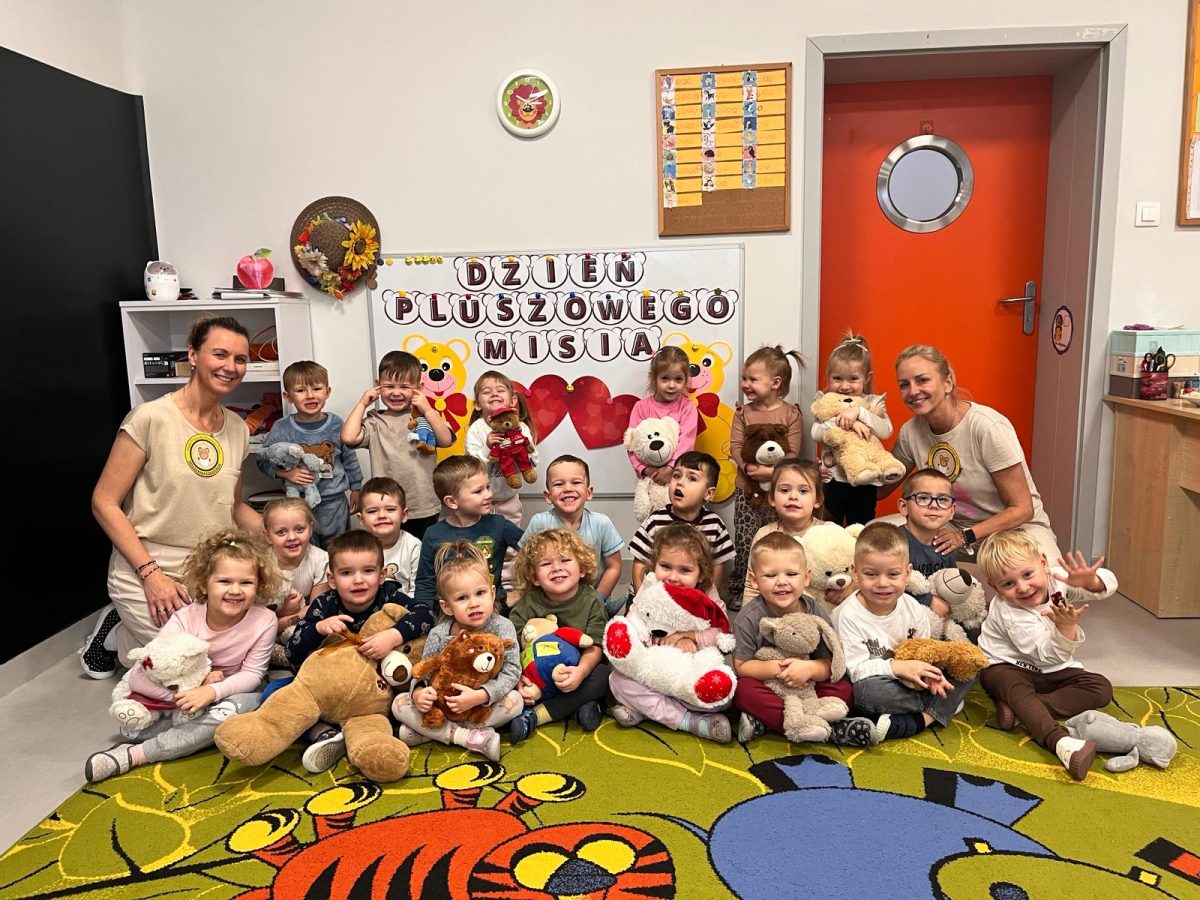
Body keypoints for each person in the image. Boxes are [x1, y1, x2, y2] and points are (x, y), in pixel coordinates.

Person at [85, 316, 263, 679]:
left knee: (228, 657)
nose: (231, 367)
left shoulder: (237, 429)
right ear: (193, 355)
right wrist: (151, 575)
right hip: (148, 563)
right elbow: (103, 502)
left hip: (209, 569)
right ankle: (122, 626)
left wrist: (284, 535)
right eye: (220, 354)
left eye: (241, 359)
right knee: (191, 666)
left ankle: (123, 636)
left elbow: (232, 505)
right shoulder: (150, 418)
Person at [83, 529, 281, 781]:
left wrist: (211, 693)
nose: (235, 590)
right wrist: (188, 696)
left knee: (250, 704)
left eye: (246, 583)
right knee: (136, 726)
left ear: (259, 585)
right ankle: (174, 732)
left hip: (228, 694)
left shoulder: (265, 620)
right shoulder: (184, 618)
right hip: (179, 701)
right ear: (205, 583)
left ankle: (134, 755)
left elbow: (252, 674)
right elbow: (141, 674)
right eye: (224, 581)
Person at [889, 344, 1061, 564]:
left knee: (1048, 580)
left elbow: (1023, 509)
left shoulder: (987, 427)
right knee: (874, 537)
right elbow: (880, 488)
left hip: (1015, 530)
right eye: (904, 385)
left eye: (922, 380)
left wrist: (964, 537)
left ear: (947, 382)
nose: (913, 391)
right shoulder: (910, 432)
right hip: (951, 526)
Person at [285, 530, 434, 773]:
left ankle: (378, 732)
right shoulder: (324, 604)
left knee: (415, 692)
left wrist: (392, 635)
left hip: (376, 692)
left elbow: (425, 614)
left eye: (368, 571)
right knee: (275, 693)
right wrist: (319, 629)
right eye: (346, 573)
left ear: (382, 575)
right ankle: (325, 734)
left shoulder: (389, 595)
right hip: (332, 690)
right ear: (332, 579)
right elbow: (292, 653)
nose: (358, 580)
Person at [976, 530, 1116, 781]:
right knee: (1013, 685)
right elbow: (1045, 655)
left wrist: (1090, 581)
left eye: (1027, 574)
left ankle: (1021, 709)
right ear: (994, 587)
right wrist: (1066, 628)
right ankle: (1060, 742)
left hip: (1051, 668)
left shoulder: (1057, 579)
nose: (1023, 587)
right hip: (1006, 666)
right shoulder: (1010, 613)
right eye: (1008, 584)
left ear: (1043, 563)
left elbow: (1107, 586)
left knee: (1100, 687)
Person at [833, 522, 975, 743]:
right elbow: (854, 671)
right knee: (865, 693)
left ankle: (924, 716)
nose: (882, 583)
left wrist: (930, 675)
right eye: (871, 574)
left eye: (893, 574)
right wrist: (896, 667)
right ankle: (938, 710)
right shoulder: (847, 615)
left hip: (915, 681)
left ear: (907, 573)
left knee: (969, 664)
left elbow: (925, 651)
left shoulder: (914, 608)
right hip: (880, 683)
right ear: (855, 572)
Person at [732, 532, 873, 745]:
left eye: (791, 574)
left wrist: (809, 669)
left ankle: (766, 723)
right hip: (771, 687)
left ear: (806, 577)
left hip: (809, 688)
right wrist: (780, 670)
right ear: (754, 580)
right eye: (770, 575)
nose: (782, 582)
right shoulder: (748, 617)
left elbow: (830, 663)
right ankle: (831, 730)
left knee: (844, 688)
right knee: (742, 691)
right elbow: (741, 666)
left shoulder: (814, 610)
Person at [393, 542, 523, 761]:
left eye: (480, 593)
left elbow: (512, 671)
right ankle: (467, 737)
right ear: (446, 606)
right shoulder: (439, 633)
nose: (473, 603)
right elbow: (424, 670)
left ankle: (431, 733)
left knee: (516, 701)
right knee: (400, 704)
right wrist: (418, 693)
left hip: (480, 705)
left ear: (492, 594)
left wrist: (481, 696)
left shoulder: (502, 627)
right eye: (462, 598)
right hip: (443, 704)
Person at [610, 524, 734, 743]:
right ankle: (688, 721)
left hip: (687, 671)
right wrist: (653, 641)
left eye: (685, 570)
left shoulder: (706, 593)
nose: (673, 577)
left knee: (723, 699)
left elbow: (720, 632)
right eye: (665, 566)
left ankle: (646, 710)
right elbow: (634, 622)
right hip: (653, 669)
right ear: (655, 564)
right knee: (617, 680)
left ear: (701, 573)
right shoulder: (651, 586)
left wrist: (686, 637)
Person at [508, 530, 610, 744]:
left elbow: (595, 647)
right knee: (506, 686)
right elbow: (512, 648)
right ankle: (579, 708)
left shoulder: (592, 601)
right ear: (534, 577)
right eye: (546, 564)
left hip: (578, 673)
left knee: (604, 675)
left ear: (582, 568)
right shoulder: (527, 604)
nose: (556, 568)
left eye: (565, 560)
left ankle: (536, 717)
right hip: (538, 678)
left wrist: (580, 672)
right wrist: (520, 678)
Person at [341, 350, 454, 541]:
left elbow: (445, 440)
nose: (396, 392)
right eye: (388, 386)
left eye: (404, 386)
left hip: (423, 504)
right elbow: (348, 437)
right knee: (388, 551)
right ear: (377, 386)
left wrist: (427, 409)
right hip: (385, 507)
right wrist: (362, 404)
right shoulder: (375, 421)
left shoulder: (426, 417)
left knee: (422, 552)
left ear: (419, 388)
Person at [728, 345, 806, 607]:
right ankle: (740, 588)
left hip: (779, 491)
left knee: (777, 540)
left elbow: (793, 452)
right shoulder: (743, 413)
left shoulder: (791, 414)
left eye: (752, 379)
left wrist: (772, 473)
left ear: (775, 383)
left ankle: (775, 587)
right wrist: (748, 468)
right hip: (747, 490)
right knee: (745, 540)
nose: (745, 384)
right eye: (744, 378)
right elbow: (735, 446)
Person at [257, 360, 362, 549]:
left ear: (327, 392)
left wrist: (356, 488)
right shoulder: (282, 428)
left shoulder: (336, 424)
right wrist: (285, 474)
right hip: (298, 505)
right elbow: (262, 459)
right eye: (301, 390)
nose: (310, 395)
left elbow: (349, 458)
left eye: (317, 388)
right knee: (305, 551)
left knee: (337, 549)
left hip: (335, 503)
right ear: (288, 396)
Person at [414, 456, 525, 609]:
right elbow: (425, 583)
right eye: (478, 491)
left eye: (487, 487)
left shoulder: (500, 525)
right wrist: (423, 614)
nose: (488, 494)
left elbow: (536, 549)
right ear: (452, 502)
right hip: (450, 612)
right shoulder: (433, 534)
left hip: (494, 609)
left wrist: (522, 592)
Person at [628, 451, 734, 608]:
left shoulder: (714, 524)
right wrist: (642, 601)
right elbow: (640, 563)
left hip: (691, 595)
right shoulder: (655, 521)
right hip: (653, 594)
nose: (680, 483)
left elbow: (717, 564)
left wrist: (708, 600)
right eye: (676, 476)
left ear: (708, 493)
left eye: (692, 478)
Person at [519, 455, 624, 609]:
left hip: (591, 602)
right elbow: (524, 564)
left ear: (589, 492)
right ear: (548, 496)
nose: (568, 488)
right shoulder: (539, 523)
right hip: (548, 601)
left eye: (576, 482)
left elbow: (614, 567)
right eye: (559, 484)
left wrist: (598, 600)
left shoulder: (601, 523)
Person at [812, 334, 893, 526]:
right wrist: (847, 421)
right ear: (828, 376)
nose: (845, 386)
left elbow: (886, 431)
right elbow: (815, 433)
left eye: (853, 379)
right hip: (832, 481)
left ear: (866, 378)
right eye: (837, 378)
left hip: (865, 482)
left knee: (861, 529)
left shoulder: (873, 403)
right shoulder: (825, 402)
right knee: (829, 530)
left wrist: (859, 413)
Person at [740, 459, 831, 607]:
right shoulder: (764, 534)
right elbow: (752, 585)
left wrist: (848, 590)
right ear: (772, 498)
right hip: (774, 611)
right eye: (784, 490)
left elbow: (850, 572)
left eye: (803, 491)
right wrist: (748, 616)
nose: (793, 496)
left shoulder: (829, 532)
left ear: (817, 500)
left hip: (818, 611)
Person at [465, 370, 540, 527]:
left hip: (509, 499)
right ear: (477, 404)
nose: (494, 394)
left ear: (512, 401)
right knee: (481, 537)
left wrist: (520, 448)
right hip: (478, 500)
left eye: (500, 390)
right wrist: (488, 447)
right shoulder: (475, 430)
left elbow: (534, 458)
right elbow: (472, 468)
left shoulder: (521, 428)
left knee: (511, 537)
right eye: (487, 392)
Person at [260, 497, 329, 668]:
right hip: (265, 625)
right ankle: (286, 658)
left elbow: (316, 610)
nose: (291, 537)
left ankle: (297, 658)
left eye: (299, 529)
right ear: (268, 536)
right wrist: (283, 615)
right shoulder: (260, 562)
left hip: (302, 625)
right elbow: (254, 614)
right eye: (281, 532)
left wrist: (289, 619)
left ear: (310, 529)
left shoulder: (321, 560)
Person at [626, 345, 698, 490]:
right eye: (665, 378)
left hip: (679, 477)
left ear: (686, 379)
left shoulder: (687, 408)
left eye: (678, 379)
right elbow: (631, 443)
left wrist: (670, 468)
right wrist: (645, 469)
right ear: (653, 377)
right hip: (650, 480)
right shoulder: (641, 407)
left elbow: (686, 443)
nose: (671, 385)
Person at [897, 468, 958, 616]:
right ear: (904, 507)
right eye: (923, 498)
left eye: (943, 500)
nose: (934, 505)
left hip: (938, 618)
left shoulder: (946, 544)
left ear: (952, 511)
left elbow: (952, 585)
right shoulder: (894, 542)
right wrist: (928, 600)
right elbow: (885, 585)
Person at [356, 476, 421, 596]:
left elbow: (418, 590)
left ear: (404, 515)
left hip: (405, 605)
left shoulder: (414, 547)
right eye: (372, 511)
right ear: (361, 519)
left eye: (390, 509)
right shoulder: (354, 548)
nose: (382, 515)